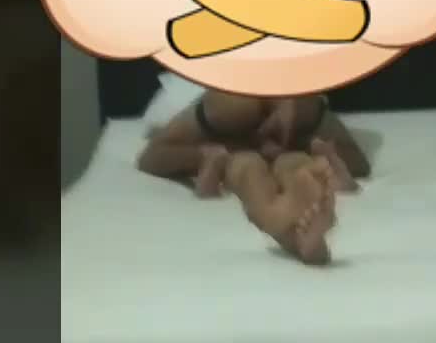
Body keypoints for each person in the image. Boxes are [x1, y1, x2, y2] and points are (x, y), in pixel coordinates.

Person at [137, 90, 369, 265]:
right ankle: (290, 228)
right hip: (239, 142)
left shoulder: (303, 104)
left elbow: (357, 160)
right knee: (253, 165)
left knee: (286, 165)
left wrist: (298, 135)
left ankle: (291, 226)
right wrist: (217, 152)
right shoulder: (226, 104)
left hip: (283, 141)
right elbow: (152, 156)